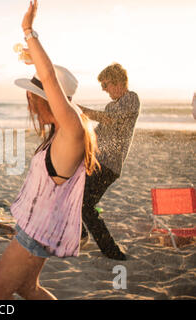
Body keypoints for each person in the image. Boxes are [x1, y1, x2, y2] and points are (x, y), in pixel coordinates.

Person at [0, 0, 99, 300]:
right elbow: (46, 78)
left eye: (32, 97)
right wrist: (34, 61)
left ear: (46, 99)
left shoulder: (73, 130)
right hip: (39, 226)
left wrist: (28, 29)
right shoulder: (63, 133)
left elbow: (49, 78)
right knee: (27, 288)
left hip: (37, 231)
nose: (29, 105)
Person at [78, 63, 140, 260]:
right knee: (75, 196)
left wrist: (81, 111)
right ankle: (80, 235)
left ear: (118, 82)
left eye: (105, 85)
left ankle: (111, 250)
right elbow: (97, 133)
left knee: (85, 205)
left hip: (109, 166)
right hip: (97, 162)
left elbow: (109, 119)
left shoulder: (131, 99)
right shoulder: (111, 105)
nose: (103, 89)